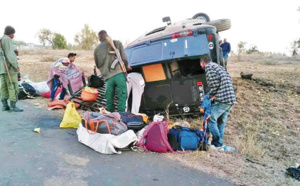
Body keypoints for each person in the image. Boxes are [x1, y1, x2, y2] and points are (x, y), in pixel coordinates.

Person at [200, 54, 236, 148]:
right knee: (221, 121)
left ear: (203, 63)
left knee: (210, 119)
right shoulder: (218, 66)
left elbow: (214, 85)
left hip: (223, 99)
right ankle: (218, 144)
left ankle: (217, 142)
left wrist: (209, 97)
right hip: (230, 98)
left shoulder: (209, 67)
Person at [94, 30, 128, 112]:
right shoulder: (117, 43)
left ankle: (110, 118)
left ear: (99, 39)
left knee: (109, 100)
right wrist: (125, 68)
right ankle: (121, 118)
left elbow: (98, 65)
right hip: (119, 75)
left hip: (108, 78)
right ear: (107, 36)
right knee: (122, 98)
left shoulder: (96, 50)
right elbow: (124, 59)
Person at [0, 26, 23, 112]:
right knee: (12, 85)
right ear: (10, 33)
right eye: (13, 34)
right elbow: (9, 55)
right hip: (9, 68)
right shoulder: (7, 40)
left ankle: (5, 105)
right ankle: (13, 105)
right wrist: (15, 66)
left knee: (4, 87)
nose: (13, 35)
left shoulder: (2, 39)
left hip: (2, 68)